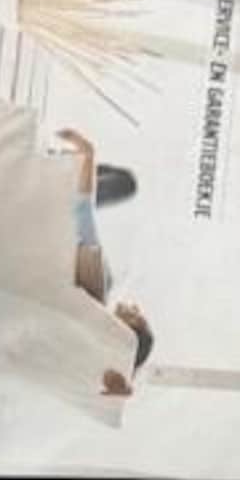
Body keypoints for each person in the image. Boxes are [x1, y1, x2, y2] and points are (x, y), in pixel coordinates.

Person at [56, 128, 154, 394]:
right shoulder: (79, 336)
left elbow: (81, 212)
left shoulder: (97, 285)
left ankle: (78, 166)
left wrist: (87, 155)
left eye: (138, 317)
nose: (136, 307)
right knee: (124, 184)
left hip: (52, 204)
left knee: (125, 183)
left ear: (128, 330)